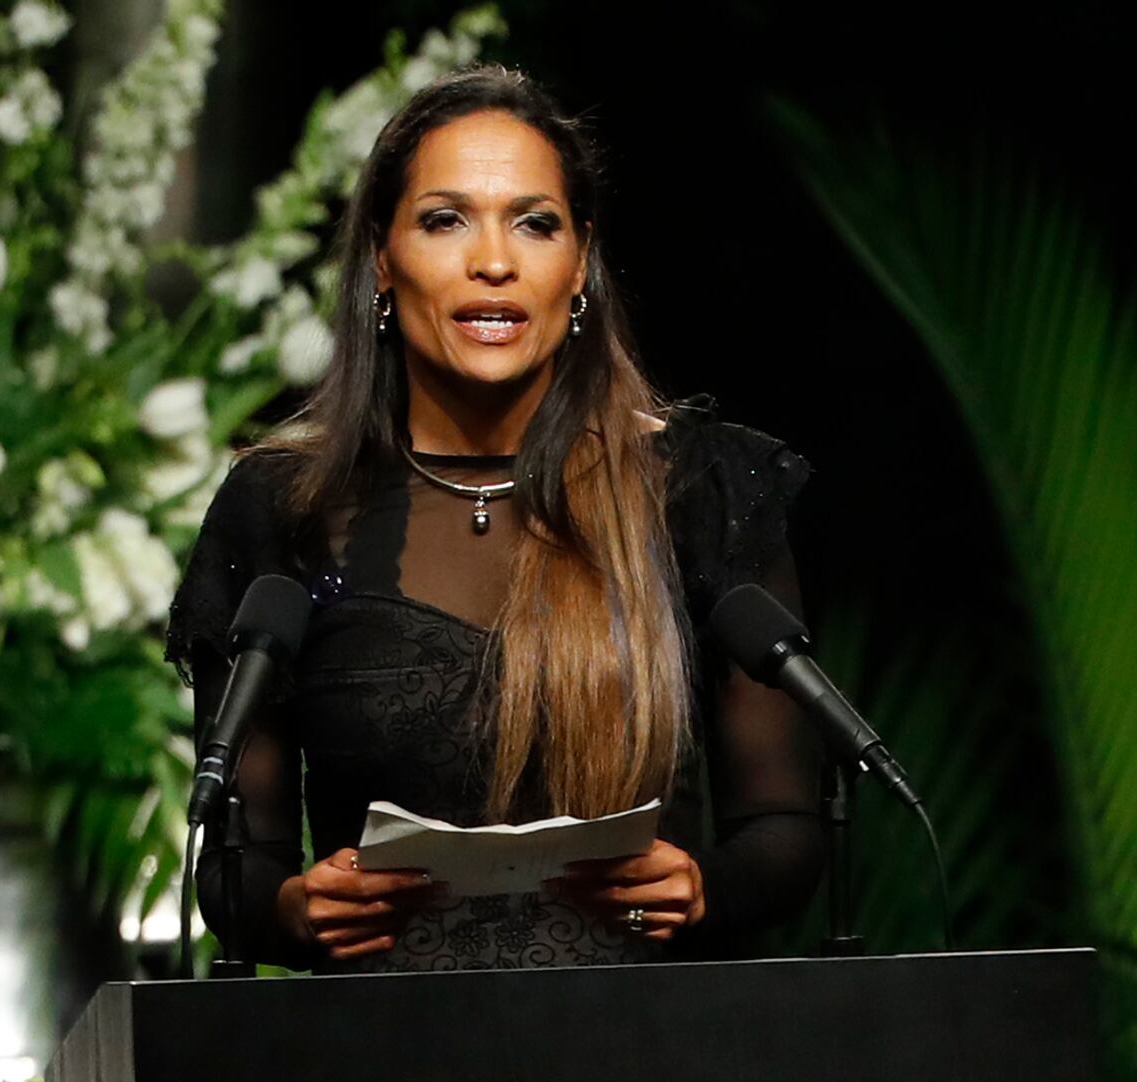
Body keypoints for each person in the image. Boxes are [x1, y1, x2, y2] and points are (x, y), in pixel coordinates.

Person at [167, 66, 827, 971]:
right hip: (381, 1079)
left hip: (653, 1068)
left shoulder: (698, 490)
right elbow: (236, 864)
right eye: (445, 220)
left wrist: (706, 888)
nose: (495, 260)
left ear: (581, 261)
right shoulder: (284, 507)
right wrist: (292, 909)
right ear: (381, 259)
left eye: (535, 222)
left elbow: (784, 826)